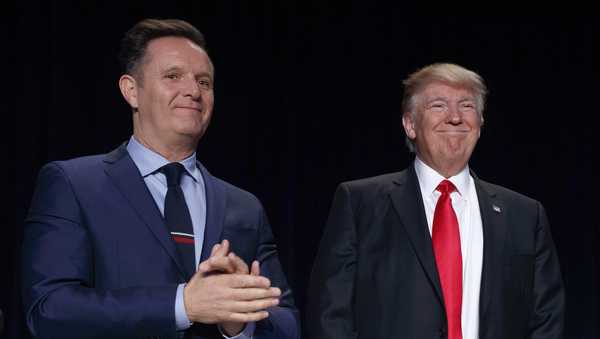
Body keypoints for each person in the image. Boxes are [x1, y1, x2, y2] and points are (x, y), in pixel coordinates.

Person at [22, 18, 299, 339]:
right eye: (173, 76)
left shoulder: (244, 206)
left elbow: (287, 323)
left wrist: (238, 319)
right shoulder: (73, 184)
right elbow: (49, 310)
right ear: (131, 91)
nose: (193, 91)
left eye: (204, 82)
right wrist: (183, 304)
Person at [307, 63, 564, 339]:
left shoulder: (525, 215)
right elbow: (330, 316)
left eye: (467, 106)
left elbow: (546, 319)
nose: (455, 117)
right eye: (438, 106)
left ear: (480, 124)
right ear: (410, 124)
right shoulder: (360, 204)